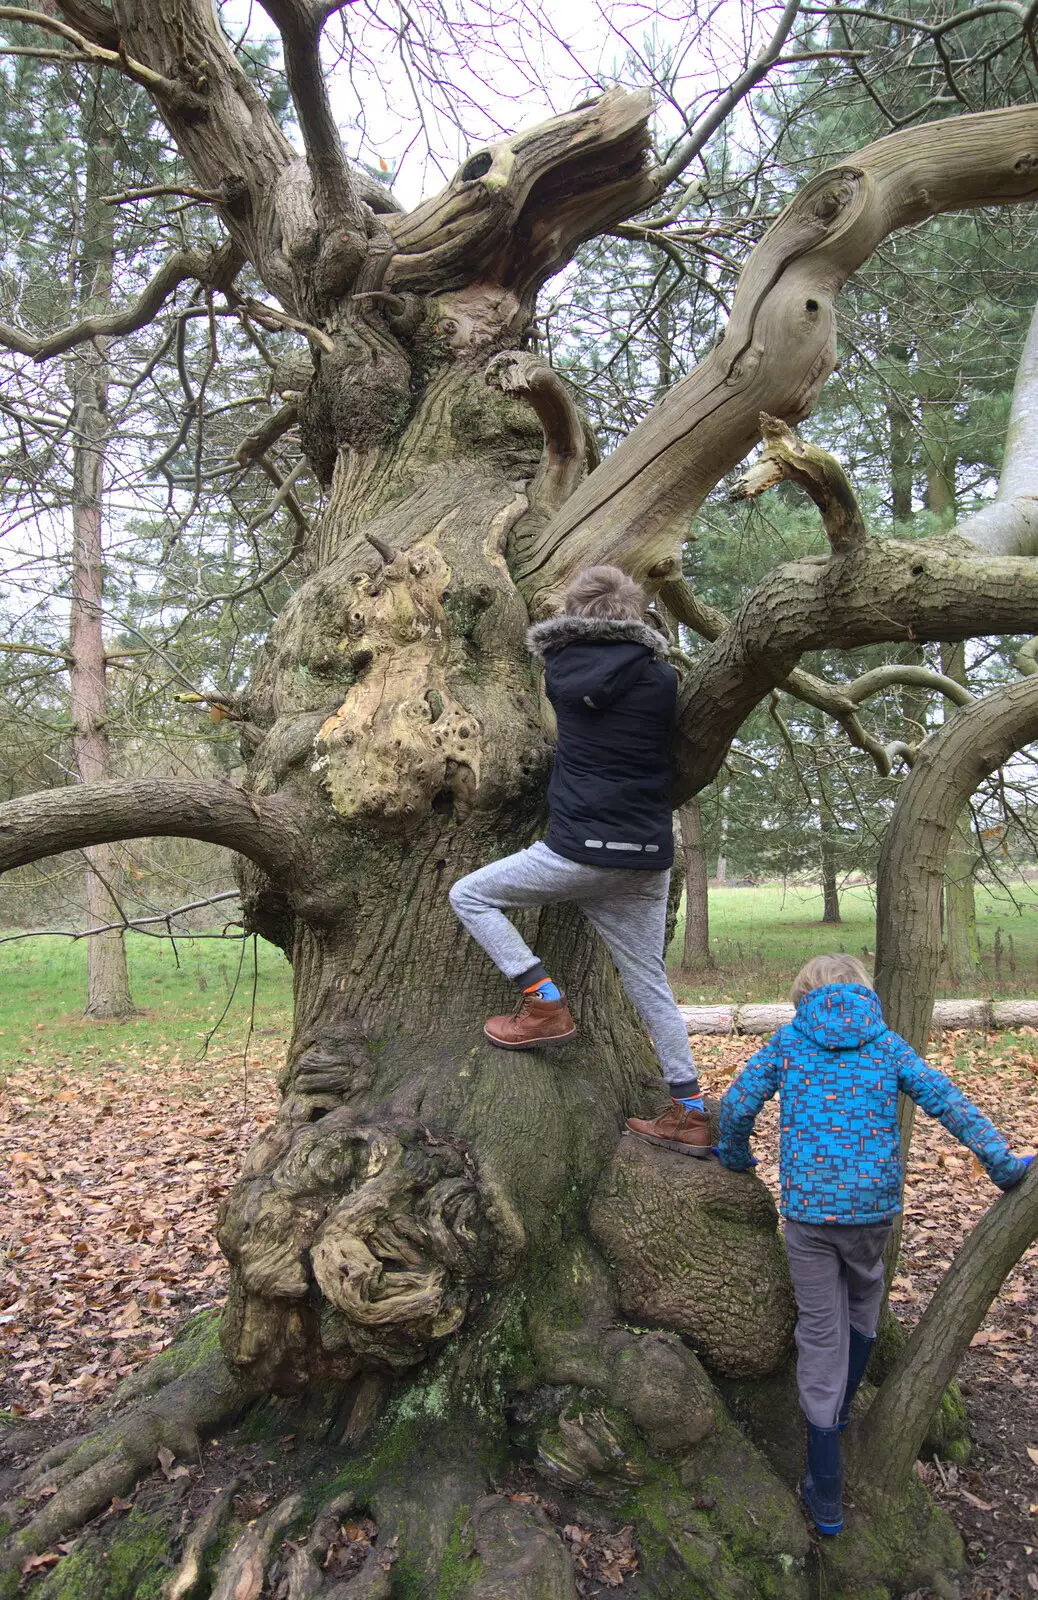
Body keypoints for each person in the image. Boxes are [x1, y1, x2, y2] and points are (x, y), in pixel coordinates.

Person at [716, 953, 1033, 1538]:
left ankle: (827, 1489)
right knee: (864, 1302)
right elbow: (948, 1101)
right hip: (871, 1214)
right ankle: (842, 1408)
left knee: (818, 1330)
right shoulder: (886, 1044)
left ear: (802, 994)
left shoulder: (790, 1041)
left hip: (809, 1217)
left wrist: (735, 1156)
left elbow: (737, 1104)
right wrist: (1003, 1164)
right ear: (864, 994)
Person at [448, 564, 709, 1154]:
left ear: (574, 614)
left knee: (470, 894)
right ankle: (690, 1112)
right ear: (636, 617)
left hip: (574, 852)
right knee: (651, 986)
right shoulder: (663, 678)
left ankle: (543, 1001)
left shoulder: (559, 671)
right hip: (645, 855)